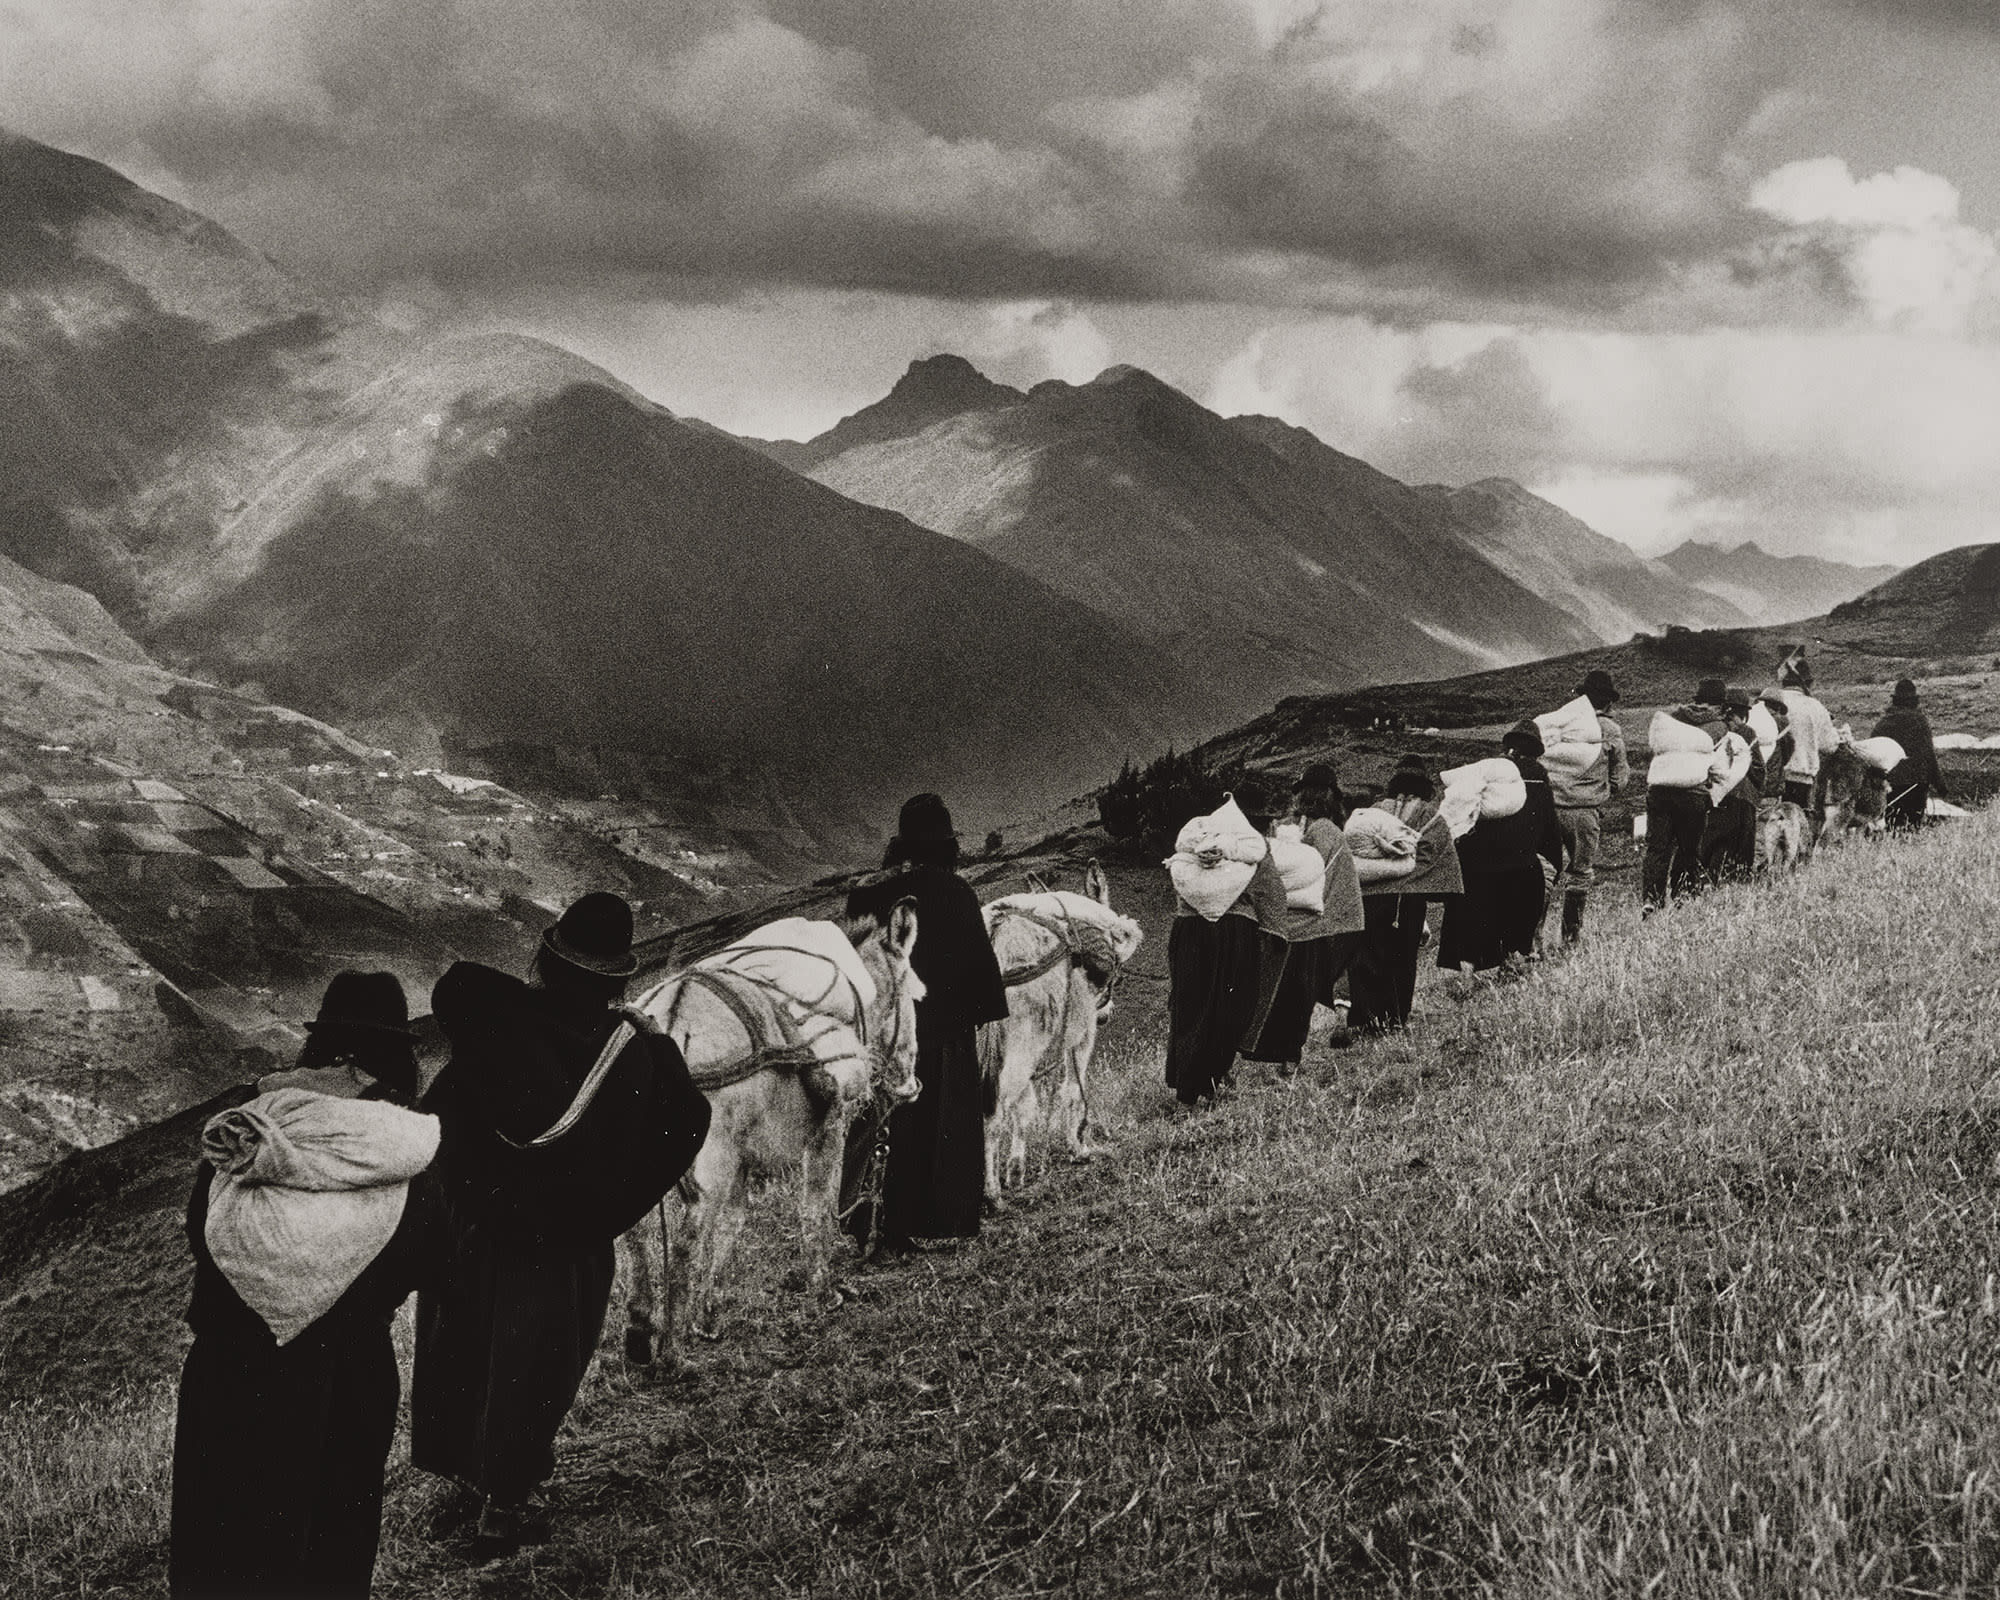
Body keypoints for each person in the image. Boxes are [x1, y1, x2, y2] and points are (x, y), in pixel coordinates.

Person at [412, 893, 709, 1560]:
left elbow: (445, 1110)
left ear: (547, 960)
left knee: (467, 1354)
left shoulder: (496, 1028)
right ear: (617, 979)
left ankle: (470, 1476)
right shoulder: (633, 1055)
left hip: (479, 1232)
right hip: (566, 1250)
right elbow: (687, 1120)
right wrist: (610, 1207)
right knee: (533, 1372)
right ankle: (504, 1509)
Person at [170, 972, 441, 1600]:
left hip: (231, 1370)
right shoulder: (410, 1148)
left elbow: (202, 1233)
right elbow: (429, 1257)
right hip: (349, 1375)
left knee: (222, 1549)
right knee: (330, 1549)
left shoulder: (246, 1132)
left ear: (321, 1049)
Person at [843, 795, 1008, 1255]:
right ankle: (930, 1219)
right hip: (944, 1038)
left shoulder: (870, 894)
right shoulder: (958, 894)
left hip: (881, 1036)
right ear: (947, 845)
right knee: (938, 1133)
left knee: (878, 1128)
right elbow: (982, 975)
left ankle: (867, 1222)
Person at [1164, 775, 1290, 1107]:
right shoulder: (1254, 849)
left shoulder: (1196, 846)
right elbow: (1271, 894)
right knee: (1230, 1008)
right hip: (1235, 934)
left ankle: (1187, 1091)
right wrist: (1278, 937)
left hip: (1187, 932)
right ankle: (1212, 1081)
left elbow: (1180, 893)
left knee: (1190, 1007)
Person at [1240, 764, 1365, 1073]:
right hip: (1336, 919)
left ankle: (1287, 1057)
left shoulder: (1318, 831)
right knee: (1308, 988)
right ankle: (1294, 1055)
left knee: (1296, 989)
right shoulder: (1329, 829)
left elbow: (1307, 874)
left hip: (1316, 922)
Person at [1346, 756, 1463, 1035]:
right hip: (1410, 901)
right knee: (1403, 957)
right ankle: (1395, 1019)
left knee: (1366, 953)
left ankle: (1365, 1019)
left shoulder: (1374, 809)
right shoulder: (1431, 815)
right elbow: (1437, 858)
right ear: (1424, 786)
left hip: (1370, 895)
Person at [1437, 723, 1562, 976]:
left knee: (1470, 920)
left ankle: (1466, 975)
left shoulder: (1490, 776)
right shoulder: (1540, 782)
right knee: (1516, 919)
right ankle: (1511, 964)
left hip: (1478, 864)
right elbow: (1549, 834)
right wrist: (1553, 867)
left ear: (1509, 748)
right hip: (1521, 864)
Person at [1546, 669, 1628, 946]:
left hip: (1548, 810)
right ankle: (1570, 939)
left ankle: (1531, 943)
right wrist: (1602, 790)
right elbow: (1621, 776)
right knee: (1580, 873)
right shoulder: (1610, 730)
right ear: (1608, 702)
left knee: (1544, 874)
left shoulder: (1561, 724)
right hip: (1584, 811)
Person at [1643, 677, 1727, 913]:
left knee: (1657, 848)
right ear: (1719, 706)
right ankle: (1682, 896)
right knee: (1688, 848)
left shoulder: (1672, 718)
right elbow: (1718, 764)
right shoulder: (1719, 727)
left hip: (1659, 791)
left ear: (1697, 700)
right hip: (1693, 794)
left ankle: (1651, 899)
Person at [1698, 687, 1763, 883]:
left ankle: (1705, 882)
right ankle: (1735, 886)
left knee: (1712, 843)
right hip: (1743, 799)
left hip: (1715, 795)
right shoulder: (1747, 732)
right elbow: (1759, 768)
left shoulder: (1711, 729)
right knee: (1741, 849)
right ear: (1742, 713)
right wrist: (1758, 790)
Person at [1872, 678, 1948, 828]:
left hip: (1891, 785)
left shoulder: (1884, 723)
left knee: (1893, 825)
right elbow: (1929, 756)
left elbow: (1873, 754)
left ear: (1895, 701)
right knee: (1913, 826)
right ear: (1914, 701)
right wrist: (1940, 786)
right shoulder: (1920, 721)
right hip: (1916, 785)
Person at [1777, 653, 1839, 826]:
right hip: (1800, 778)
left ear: (1783, 682)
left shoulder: (1768, 702)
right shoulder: (1816, 707)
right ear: (1808, 683)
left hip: (1770, 779)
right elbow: (1830, 746)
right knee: (1794, 830)